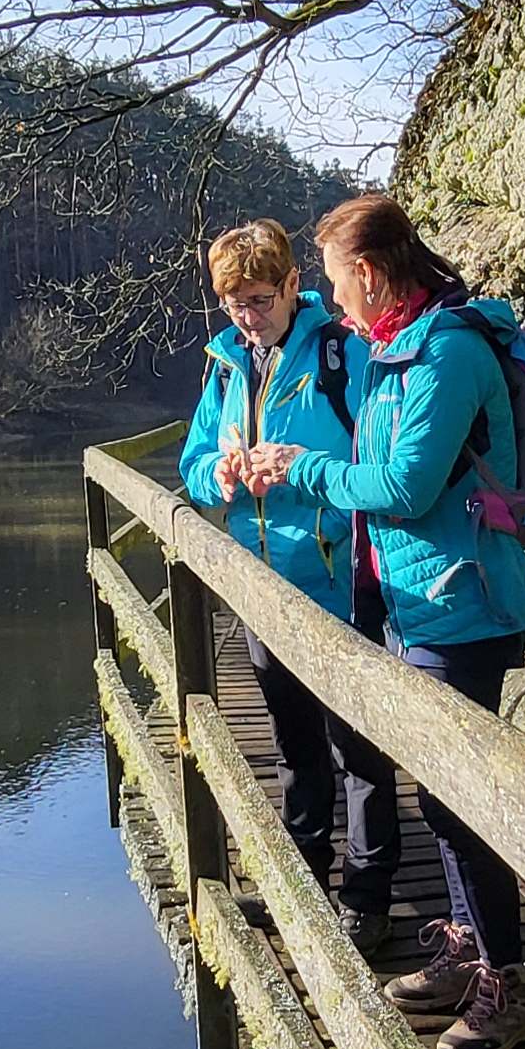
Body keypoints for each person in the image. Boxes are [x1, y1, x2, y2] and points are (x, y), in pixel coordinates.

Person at [243, 194, 525, 1049]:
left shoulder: (446, 351)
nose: (333, 303)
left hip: (463, 604)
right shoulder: (395, 350)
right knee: (436, 792)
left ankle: (509, 985)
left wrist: (303, 469)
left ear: (370, 274)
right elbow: (376, 470)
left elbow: (407, 488)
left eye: (338, 283)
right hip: (409, 601)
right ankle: (468, 945)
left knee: (459, 799)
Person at [178, 219, 398, 954]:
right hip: (264, 585)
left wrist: (300, 465)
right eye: (234, 302)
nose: (248, 315)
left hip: (341, 580)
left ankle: (367, 899)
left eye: (259, 299)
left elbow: (383, 458)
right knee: (293, 744)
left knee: (357, 749)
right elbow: (193, 459)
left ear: (291, 284)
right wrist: (220, 473)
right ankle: (303, 877)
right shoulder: (224, 363)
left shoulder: (342, 353)